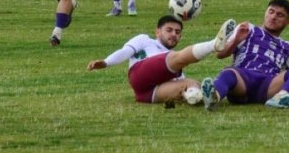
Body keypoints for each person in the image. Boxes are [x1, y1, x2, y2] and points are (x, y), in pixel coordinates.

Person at [200, 0, 289, 110]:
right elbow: (220, 55)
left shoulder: (287, 46)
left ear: (287, 22)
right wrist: (236, 40)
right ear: (265, 12)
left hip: (268, 85)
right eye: (271, 12)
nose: (273, 17)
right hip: (243, 79)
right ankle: (214, 97)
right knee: (228, 72)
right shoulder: (248, 29)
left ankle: (281, 98)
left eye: (280, 15)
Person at [87, 16, 237, 104]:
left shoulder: (173, 58)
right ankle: (214, 45)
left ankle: (203, 99)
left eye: (177, 32)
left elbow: (178, 81)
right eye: (169, 30)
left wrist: (188, 90)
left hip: (146, 94)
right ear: (157, 31)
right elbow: (125, 51)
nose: (173, 34)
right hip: (139, 74)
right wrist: (106, 62)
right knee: (176, 58)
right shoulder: (145, 40)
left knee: (192, 83)